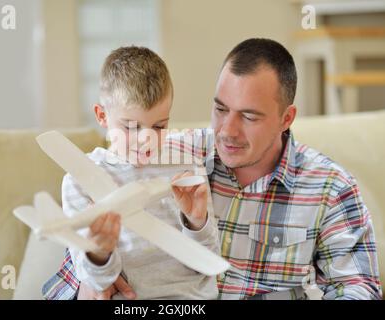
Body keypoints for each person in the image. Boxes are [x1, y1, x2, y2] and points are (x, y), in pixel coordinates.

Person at [44, 38, 382, 300]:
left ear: (286, 119)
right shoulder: (171, 153)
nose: (227, 131)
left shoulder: (330, 188)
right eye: (220, 109)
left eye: (249, 116)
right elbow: (82, 254)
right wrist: (90, 282)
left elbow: (357, 288)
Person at [42, 46, 221, 300]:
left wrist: (196, 222)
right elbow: (95, 282)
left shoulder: (187, 168)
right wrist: (99, 253)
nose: (145, 140)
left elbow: (207, 263)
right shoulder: (80, 179)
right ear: (102, 116)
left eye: (159, 126)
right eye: (131, 127)